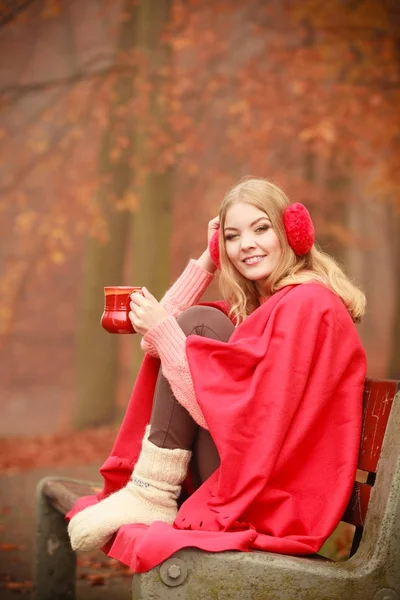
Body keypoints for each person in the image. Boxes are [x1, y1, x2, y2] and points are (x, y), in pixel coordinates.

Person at [67, 177, 367, 573]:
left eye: (261, 228)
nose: (246, 244)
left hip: (270, 492)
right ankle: (151, 490)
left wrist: (164, 330)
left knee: (201, 324)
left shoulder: (307, 305)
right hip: (254, 469)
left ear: (292, 232)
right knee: (200, 322)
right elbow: (158, 345)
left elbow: (244, 426)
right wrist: (207, 260)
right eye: (231, 236)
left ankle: (153, 490)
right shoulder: (273, 303)